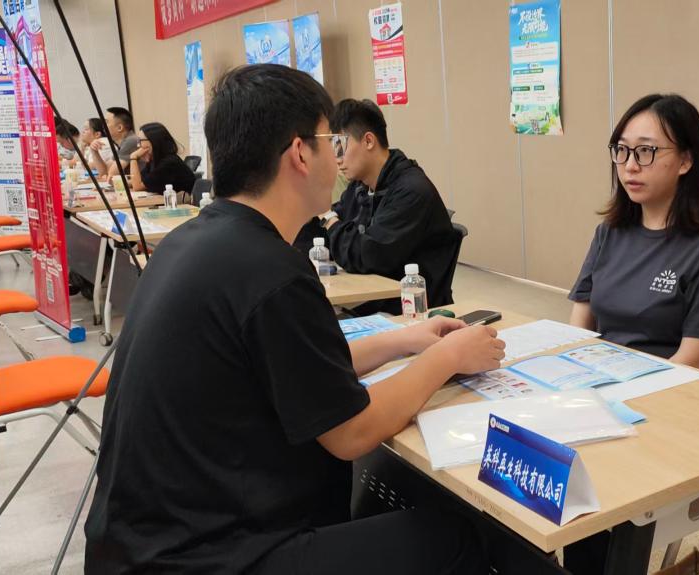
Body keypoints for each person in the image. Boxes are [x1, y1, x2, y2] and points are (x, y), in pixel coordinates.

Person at [84, 64, 500, 574]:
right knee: (454, 537)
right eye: (330, 141)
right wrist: (448, 357)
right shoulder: (271, 271)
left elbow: (296, 366)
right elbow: (352, 433)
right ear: (300, 153)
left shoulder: (194, 242)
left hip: (140, 546)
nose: (338, 157)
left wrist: (404, 341)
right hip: (208, 556)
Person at [569, 94, 699, 373]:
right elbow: (578, 329)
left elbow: (693, 362)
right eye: (622, 150)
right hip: (598, 377)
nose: (630, 165)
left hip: (668, 386)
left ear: (685, 160)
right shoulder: (609, 231)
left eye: (645, 151)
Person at [294, 98, 456, 314]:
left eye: (340, 145)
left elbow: (367, 255)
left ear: (368, 141)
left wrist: (328, 217)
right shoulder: (360, 187)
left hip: (410, 310)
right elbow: (328, 235)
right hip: (373, 302)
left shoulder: (411, 190)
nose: (336, 158)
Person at [127, 122, 196, 194]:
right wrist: (122, 182)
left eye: (140, 141)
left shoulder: (169, 163)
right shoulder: (156, 160)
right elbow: (139, 181)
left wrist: (133, 158)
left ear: (153, 140)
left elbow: (137, 187)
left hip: (182, 201)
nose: (138, 145)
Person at [87, 106, 139, 177]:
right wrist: (94, 151)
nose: (103, 125)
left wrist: (107, 173)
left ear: (119, 128)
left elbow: (110, 174)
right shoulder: (122, 144)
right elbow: (104, 172)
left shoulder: (131, 141)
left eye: (106, 122)